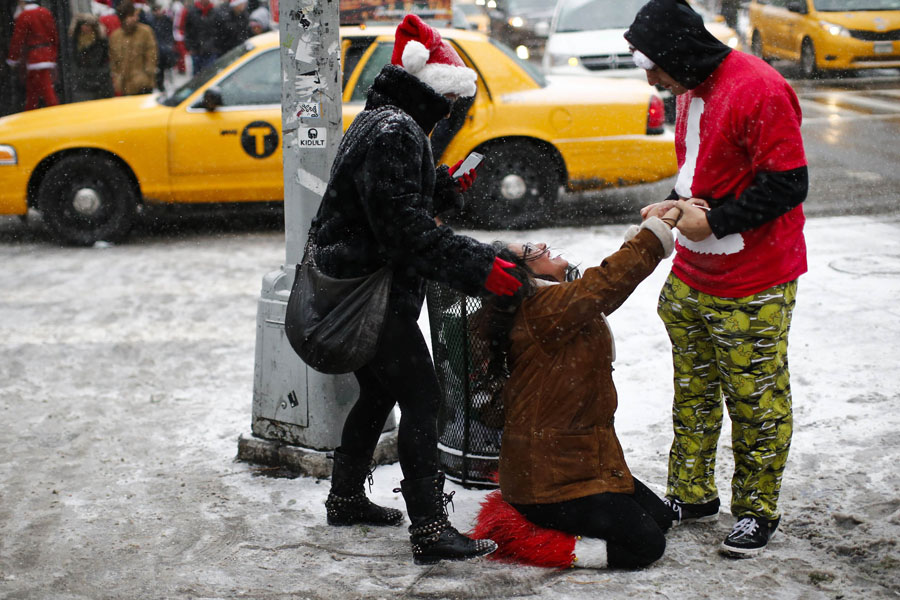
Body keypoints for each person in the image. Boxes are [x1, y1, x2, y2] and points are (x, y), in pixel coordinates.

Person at [313, 14, 522, 565]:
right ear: (429, 89)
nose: (451, 110)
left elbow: (386, 201)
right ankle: (430, 530)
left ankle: (345, 498)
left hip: (356, 284)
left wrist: (443, 187)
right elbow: (404, 230)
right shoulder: (398, 131)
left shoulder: (382, 119)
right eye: (450, 98)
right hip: (370, 294)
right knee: (424, 398)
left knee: (378, 392)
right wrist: (479, 266)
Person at [624, 0, 808, 557]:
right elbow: (702, 173)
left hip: (753, 280)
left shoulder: (759, 88)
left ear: (680, 53)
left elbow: (789, 184)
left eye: (655, 66)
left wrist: (718, 221)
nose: (652, 80)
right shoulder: (690, 86)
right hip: (692, 273)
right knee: (694, 392)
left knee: (755, 400)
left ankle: (756, 509)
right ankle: (692, 494)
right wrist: (674, 203)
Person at [470, 211, 681, 569]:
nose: (541, 244)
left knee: (660, 518)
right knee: (646, 546)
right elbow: (603, 286)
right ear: (523, 274)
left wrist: (637, 242)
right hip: (548, 481)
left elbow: (602, 288)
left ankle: (542, 515)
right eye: (530, 250)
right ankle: (525, 537)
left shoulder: (557, 303)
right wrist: (654, 234)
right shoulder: (541, 309)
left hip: (577, 462)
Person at [5, 0, 59, 111]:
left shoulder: (24, 15)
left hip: (34, 57)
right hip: (46, 54)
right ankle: (30, 112)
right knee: (33, 92)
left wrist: (13, 58)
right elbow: (54, 35)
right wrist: (53, 53)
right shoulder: (45, 12)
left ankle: (56, 114)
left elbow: (17, 39)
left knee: (46, 93)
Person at [109, 0, 158, 96]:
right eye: (132, 16)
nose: (136, 18)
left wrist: (148, 74)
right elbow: (114, 61)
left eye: (135, 15)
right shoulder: (115, 36)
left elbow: (151, 55)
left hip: (143, 84)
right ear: (123, 18)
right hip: (124, 86)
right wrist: (117, 78)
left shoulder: (145, 32)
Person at [69, 14, 115, 102]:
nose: (86, 28)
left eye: (89, 25)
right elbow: (74, 62)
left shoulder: (101, 42)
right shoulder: (74, 43)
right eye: (84, 25)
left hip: (100, 82)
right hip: (83, 83)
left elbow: (104, 60)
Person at [149, 1, 175, 91]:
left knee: (167, 69)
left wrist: (169, 45)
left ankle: (167, 86)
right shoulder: (151, 21)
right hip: (157, 50)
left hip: (165, 49)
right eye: (155, 10)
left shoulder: (166, 20)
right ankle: (161, 86)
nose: (157, 12)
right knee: (159, 71)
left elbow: (170, 33)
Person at [184, 0, 217, 73]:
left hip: (210, 50)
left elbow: (216, 30)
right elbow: (187, 31)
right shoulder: (192, 12)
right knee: (198, 73)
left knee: (210, 72)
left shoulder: (214, 11)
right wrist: (190, 47)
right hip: (196, 50)